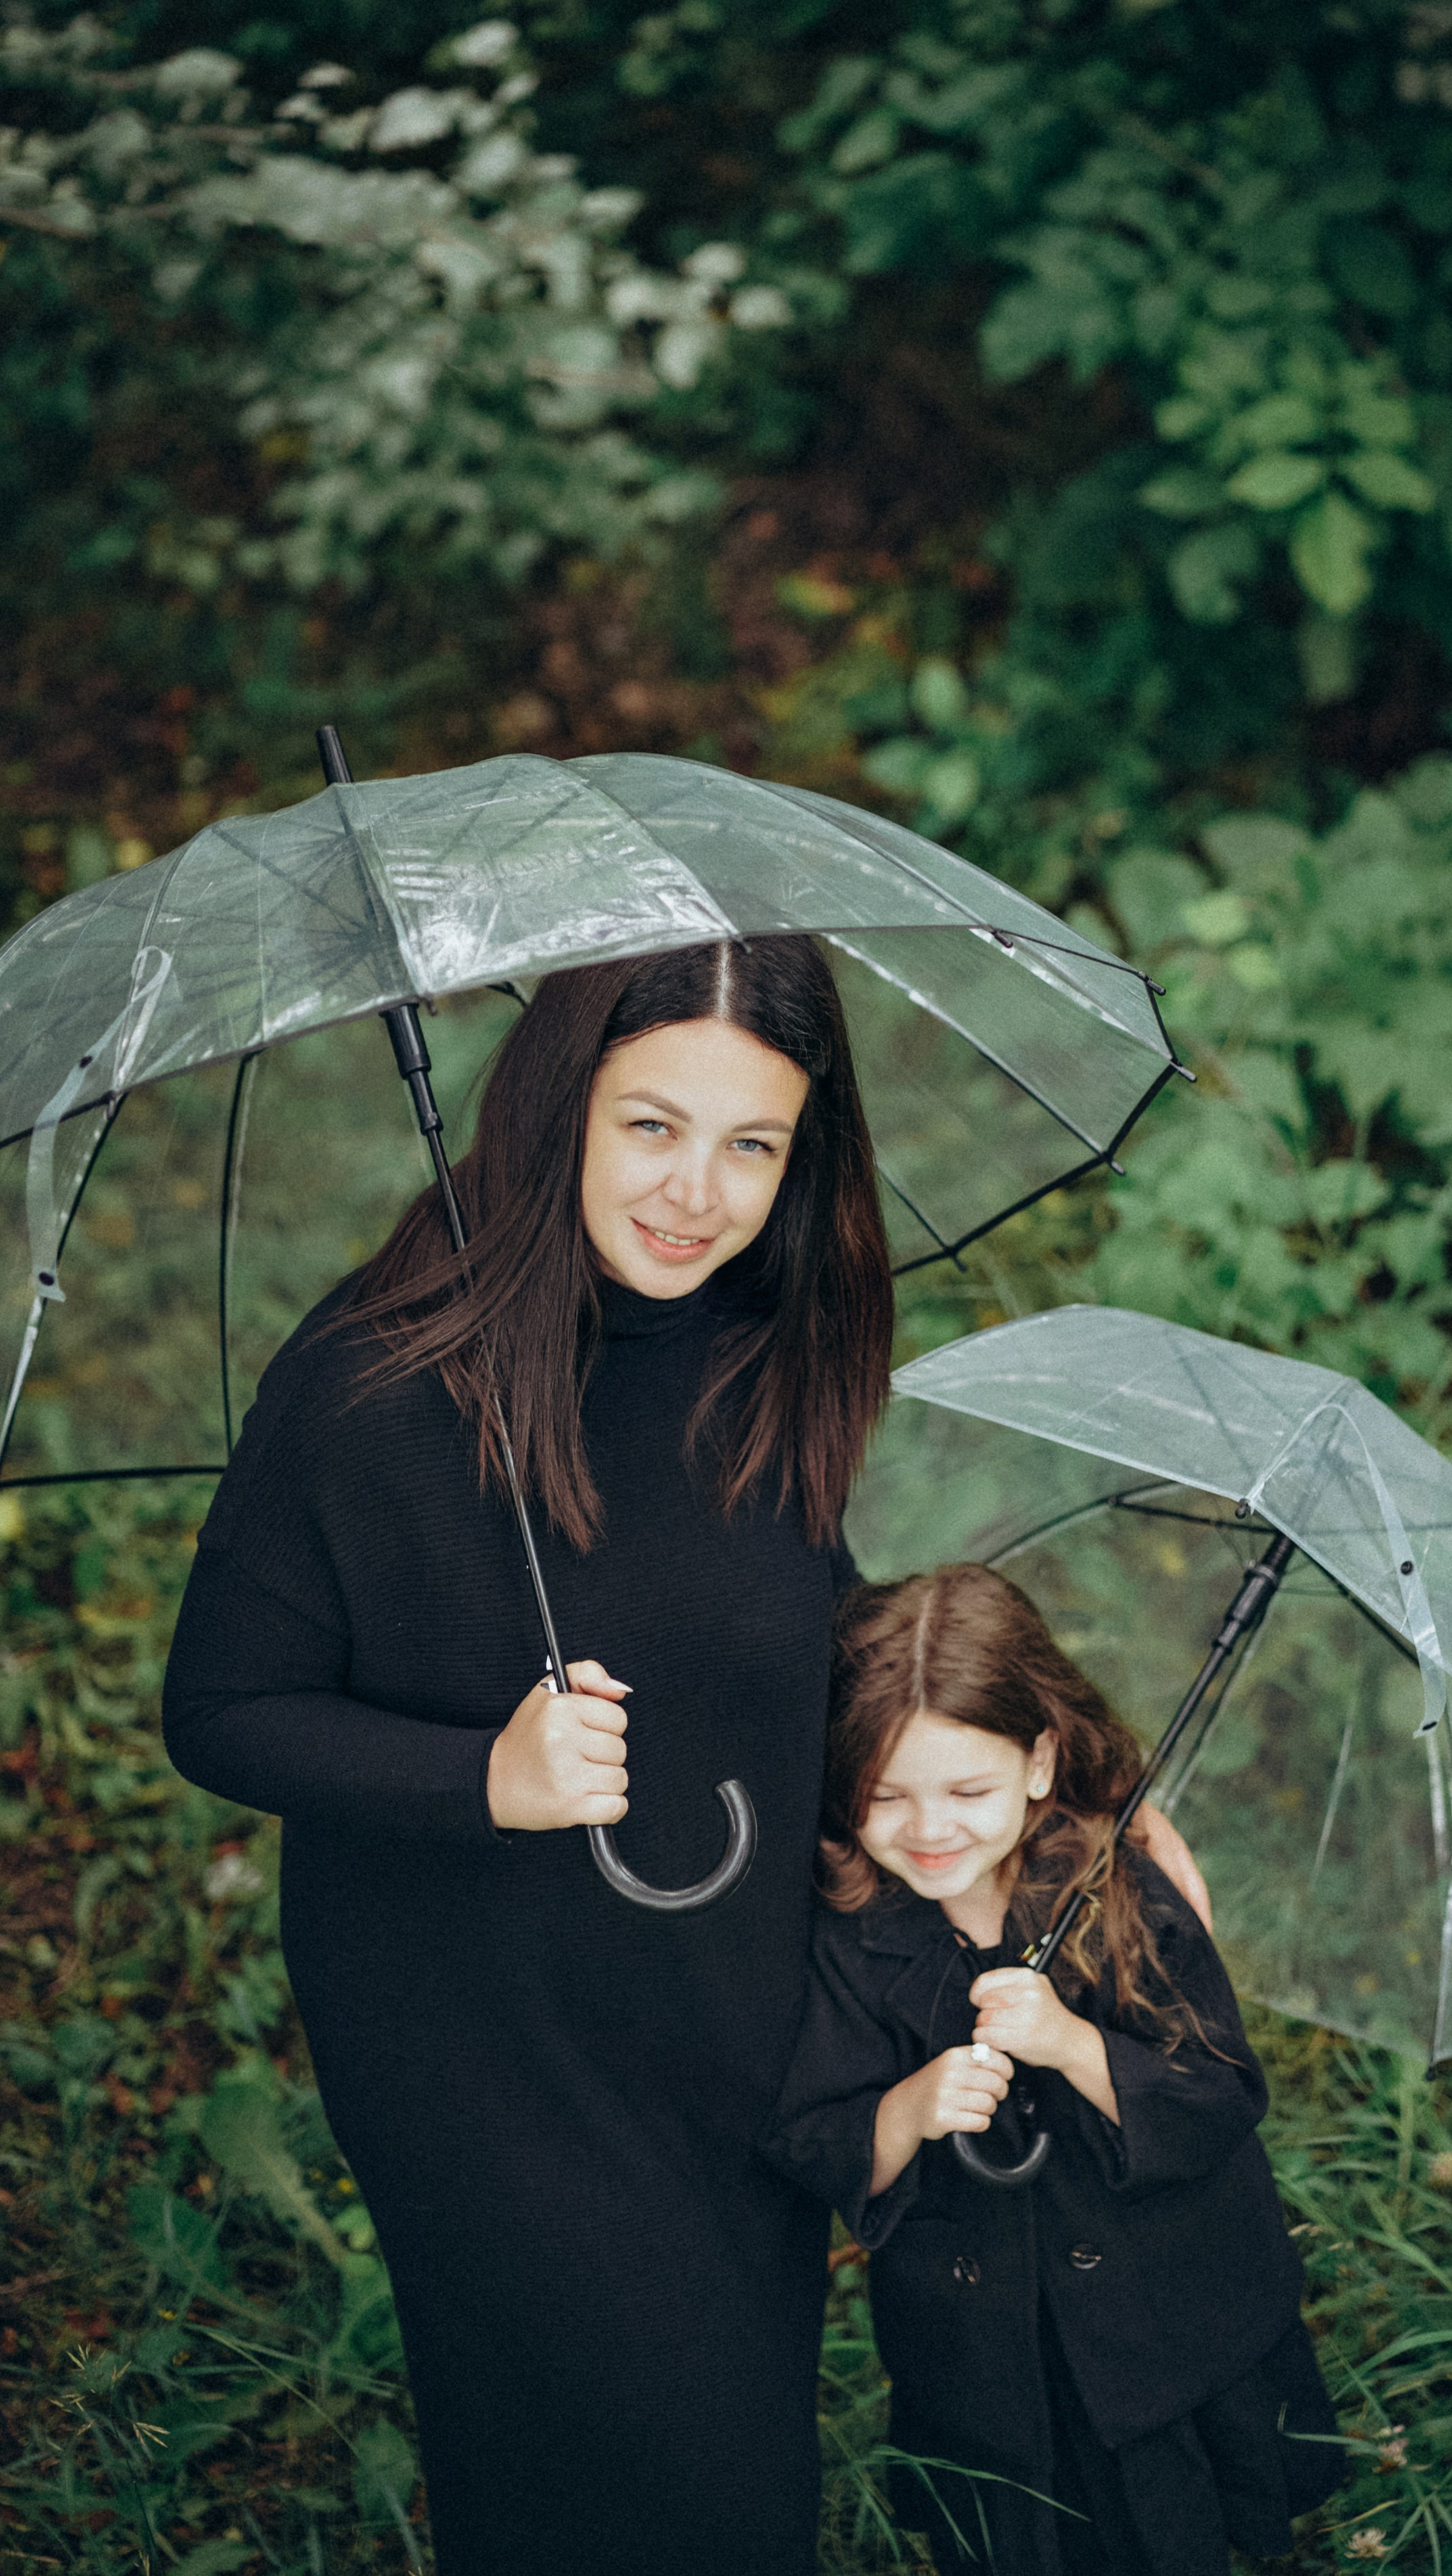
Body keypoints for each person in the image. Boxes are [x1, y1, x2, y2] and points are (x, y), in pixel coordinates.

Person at [161, 936, 897, 2576]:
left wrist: (1032, 1801)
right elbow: (219, 1705)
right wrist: (479, 1778)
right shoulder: (373, 1383)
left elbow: (804, 1623)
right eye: (652, 1125)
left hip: (725, 2007)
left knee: (738, 2468)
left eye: (751, 1144)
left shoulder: (764, 1338)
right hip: (480, 2033)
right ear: (562, 1101)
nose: (697, 1192)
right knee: (601, 2468)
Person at [767, 1563, 1348, 2576]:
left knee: (1171, 2531)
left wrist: (1074, 2046)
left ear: (1038, 1763)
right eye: (883, 1796)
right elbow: (808, 2128)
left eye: (967, 1790)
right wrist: (904, 2111)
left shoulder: (1115, 1889)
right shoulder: (848, 1933)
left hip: (1163, 2328)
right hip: (991, 2352)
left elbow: (1219, 2094)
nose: (929, 1829)